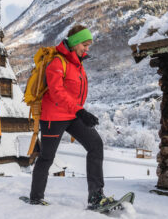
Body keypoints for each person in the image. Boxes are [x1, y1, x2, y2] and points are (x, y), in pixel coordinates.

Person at [29, 25, 114, 209]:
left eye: (88, 45)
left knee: (95, 145)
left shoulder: (78, 64)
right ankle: (35, 197)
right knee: (47, 157)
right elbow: (57, 91)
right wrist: (80, 111)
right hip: (53, 117)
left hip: (72, 114)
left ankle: (96, 196)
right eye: (85, 44)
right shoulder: (58, 63)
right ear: (75, 44)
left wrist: (79, 111)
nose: (87, 48)